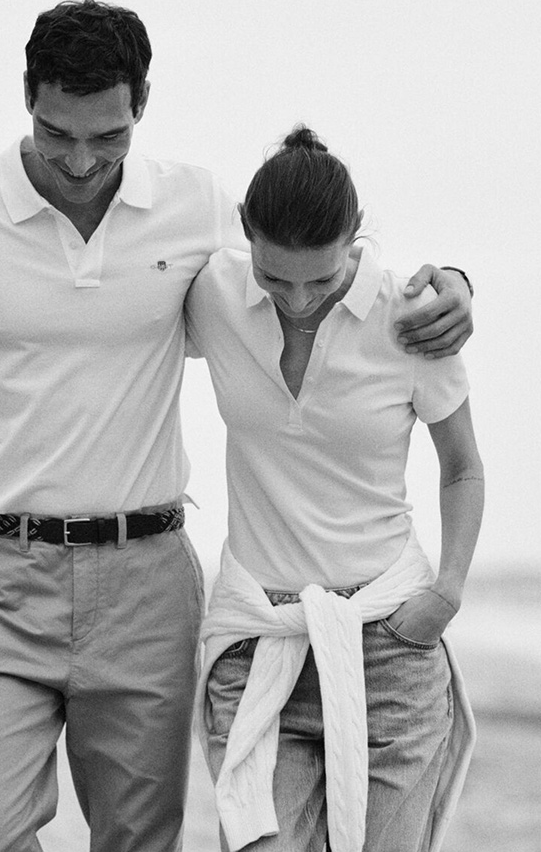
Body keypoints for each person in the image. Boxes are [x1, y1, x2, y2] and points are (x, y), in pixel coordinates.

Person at [0, 0, 474, 852]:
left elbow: (317, 265)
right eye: (55, 132)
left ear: (141, 104)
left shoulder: (197, 210)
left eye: (107, 137)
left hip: (146, 581)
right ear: (25, 97)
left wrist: (450, 282)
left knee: (140, 841)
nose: (79, 161)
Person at [186, 126, 484, 852]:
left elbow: (463, 467)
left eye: (319, 279)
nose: (295, 297)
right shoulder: (213, 291)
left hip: (389, 645)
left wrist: (446, 590)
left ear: (355, 238)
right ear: (245, 238)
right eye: (274, 275)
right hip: (261, 641)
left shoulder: (410, 318)